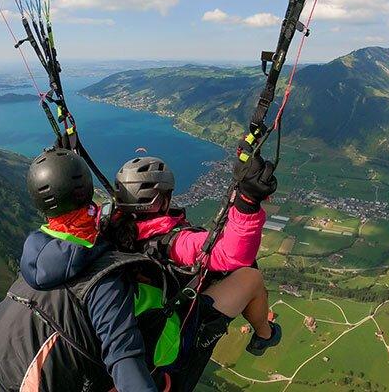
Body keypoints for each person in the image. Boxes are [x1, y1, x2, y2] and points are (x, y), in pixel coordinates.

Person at [0, 148, 167, 392]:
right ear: (87, 191)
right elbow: (124, 358)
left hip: (4, 370)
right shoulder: (103, 276)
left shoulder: (37, 254)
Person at [108, 155, 282, 389]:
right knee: (250, 275)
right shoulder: (176, 243)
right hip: (176, 328)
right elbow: (233, 254)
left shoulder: (109, 231)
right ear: (164, 199)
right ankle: (265, 335)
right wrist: (247, 202)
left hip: (134, 324)